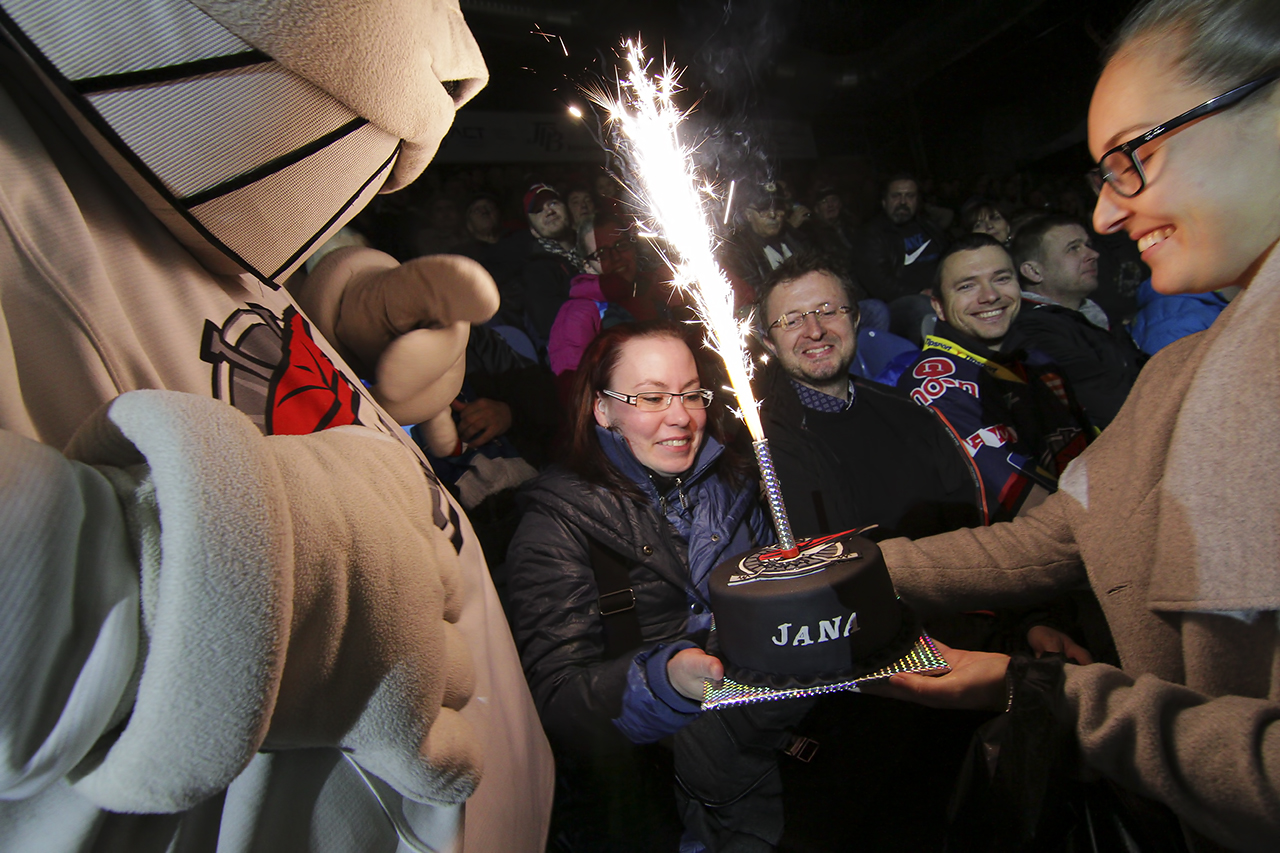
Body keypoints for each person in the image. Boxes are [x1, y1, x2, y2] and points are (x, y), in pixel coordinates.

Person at [0, 1, 555, 852]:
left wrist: (340, 301)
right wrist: (211, 582)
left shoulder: (115, 152)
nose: (465, 68)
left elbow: (173, 283)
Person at [869, 2, 1280, 850]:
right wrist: (859, 570)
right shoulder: (1183, 369)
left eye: (1136, 158)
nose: (1104, 218)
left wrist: (1051, 696)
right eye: (1103, 175)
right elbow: (1055, 534)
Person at [505, 321, 772, 851]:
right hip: (669, 801)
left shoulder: (737, 483)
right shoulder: (556, 526)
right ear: (603, 410)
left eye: (691, 393)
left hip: (766, 758)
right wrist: (664, 682)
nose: (681, 416)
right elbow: (556, 698)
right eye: (651, 398)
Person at [755, 252, 982, 541]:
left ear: (855, 318)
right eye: (791, 321)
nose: (815, 331)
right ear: (770, 343)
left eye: (828, 311)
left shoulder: (909, 412)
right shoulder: (765, 447)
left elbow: (968, 523)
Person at [891, 234, 1093, 523]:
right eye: (967, 286)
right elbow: (1029, 508)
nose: (990, 296)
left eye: (1001, 279)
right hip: (1039, 539)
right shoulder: (937, 386)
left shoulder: (1037, 360)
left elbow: (1090, 451)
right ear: (938, 306)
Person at [1006, 214, 1146, 429]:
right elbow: (1107, 405)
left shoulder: (1095, 317)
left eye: (1088, 245)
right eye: (1073, 248)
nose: (1093, 254)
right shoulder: (1033, 331)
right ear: (1033, 272)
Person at [851, 172, 949, 344]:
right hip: (900, 303)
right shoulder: (872, 234)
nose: (903, 202)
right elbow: (878, 283)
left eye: (909, 196)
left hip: (939, 292)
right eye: (896, 196)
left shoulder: (928, 227)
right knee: (922, 307)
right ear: (884, 201)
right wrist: (920, 292)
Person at [492, 182, 589, 349]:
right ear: (534, 231)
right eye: (538, 210)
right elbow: (550, 325)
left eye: (553, 203)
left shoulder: (592, 246)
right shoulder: (536, 270)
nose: (549, 211)